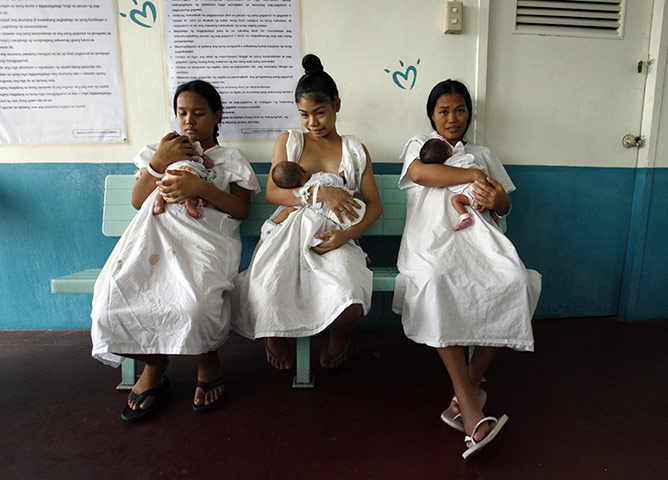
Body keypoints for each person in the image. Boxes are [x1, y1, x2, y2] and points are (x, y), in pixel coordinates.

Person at [91, 80, 260, 422]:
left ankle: (206, 355)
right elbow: (139, 201)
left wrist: (201, 187)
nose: (189, 121)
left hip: (205, 244)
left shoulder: (231, 159)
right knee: (109, 305)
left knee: (196, 305)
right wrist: (157, 163)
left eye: (199, 113)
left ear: (217, 116)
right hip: (151, 242)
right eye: (182, 113)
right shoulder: (160, 150)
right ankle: (154, 363)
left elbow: (240, 210)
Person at [392, 79, 541, 458]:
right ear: (431, 115)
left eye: (459, 110)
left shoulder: (483, 153)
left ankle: (467, 387)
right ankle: (471, 408)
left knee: (515, 281)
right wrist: (474, 177)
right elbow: (423, 175)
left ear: (469, 114)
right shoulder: (418, 144)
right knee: (436, 281)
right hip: (431, 240)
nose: (452, 117)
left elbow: (504, 203)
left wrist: (497, 196)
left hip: (478, 237)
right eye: (443, 110)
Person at [232, 54, 382, 370]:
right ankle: (274, 333)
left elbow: (374, 205)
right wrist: (318, 192)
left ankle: (339, 336)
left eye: (320, 112)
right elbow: (274, 193)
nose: (313, 122)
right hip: (289, 231)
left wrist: (347, 235)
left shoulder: (355, 150)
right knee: (268, 286)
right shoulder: (290, 142)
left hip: (335, 235)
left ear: (337, 105)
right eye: (304, 115)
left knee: (350, 301)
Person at [261, 161, 367, 241]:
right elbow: (339, 180)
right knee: (351, 233)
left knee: (342, 227)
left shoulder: (302, 200)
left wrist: (273, 222)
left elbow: (287, 211)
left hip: (336, 217)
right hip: (352, 201)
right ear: (302, 169)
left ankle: (361, 252)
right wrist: (343, 177)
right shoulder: (321, 176)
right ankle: (360, 251)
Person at [418, 138, 498, 231]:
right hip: (480, 185)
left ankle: (465, 218)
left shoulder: (442, 170)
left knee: (456, 200)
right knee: (488, 199)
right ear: (448, 153)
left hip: (469, 193)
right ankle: (493, 212)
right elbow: (460, 145)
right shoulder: (459, 155)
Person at [151, 140, 212, 219]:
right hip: (191, 175)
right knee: (205, 198)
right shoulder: (197, 157)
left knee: (160, 191)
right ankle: (192, 202)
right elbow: (209, 164)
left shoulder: (171, 158)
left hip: (171, 177)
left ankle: (158, 205)